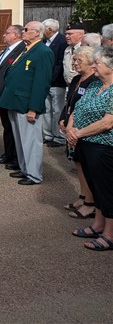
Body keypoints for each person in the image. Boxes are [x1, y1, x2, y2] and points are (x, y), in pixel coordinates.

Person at [67, 46, 113, 251]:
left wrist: (78, 133)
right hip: (86, 145)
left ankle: (109, 235)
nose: (94, 65)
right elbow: (78, 108)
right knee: (95, 187)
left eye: (98, 63)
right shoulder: (95, 86)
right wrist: (70, 126)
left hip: (104, 147)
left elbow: (107, 122)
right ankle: (98, 225)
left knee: (107, 190)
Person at [0, 21, 54, 185]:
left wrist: (34, 108)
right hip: (15, 101)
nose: (23, 31)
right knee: (21, 140)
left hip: (26, 104)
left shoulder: (43, 52)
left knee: (31, 141)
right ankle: (25, 169)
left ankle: (34, 174)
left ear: (37, 33)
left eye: (26, 29)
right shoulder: (26, 49)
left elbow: (41, 83)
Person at [59, 46, 98, 219]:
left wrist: (73, 128)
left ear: (91, 63)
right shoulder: (76, 79)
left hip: (82, 130)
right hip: (70, 128)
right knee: (77, 163)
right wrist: (62, 119)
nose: (74, 63)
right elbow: (69, 101)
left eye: (78, 60)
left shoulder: (94, 81)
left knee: (86, 165)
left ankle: (90, 204)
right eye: (74, 60)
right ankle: (83, 197)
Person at [0, 25, 26, 168]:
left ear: (15, 35)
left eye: (7, 33)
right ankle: (8, 154)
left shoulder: (21, 49)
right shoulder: (7, 50)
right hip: (1, 96)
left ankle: (15, 158)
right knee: (7, 127)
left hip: (9, 95)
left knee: (13, 128)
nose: (3, 35)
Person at [41, 18, 68, 148]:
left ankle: (59, 137)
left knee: (57, 110)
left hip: (57, 82)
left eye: (43, 28)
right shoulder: (45, 41)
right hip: (46, 82)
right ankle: (48, 135)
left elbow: (60, 63)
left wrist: (51, 79)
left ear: (50, 30)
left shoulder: (62, 41)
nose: (42, 31)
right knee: (46, 109)